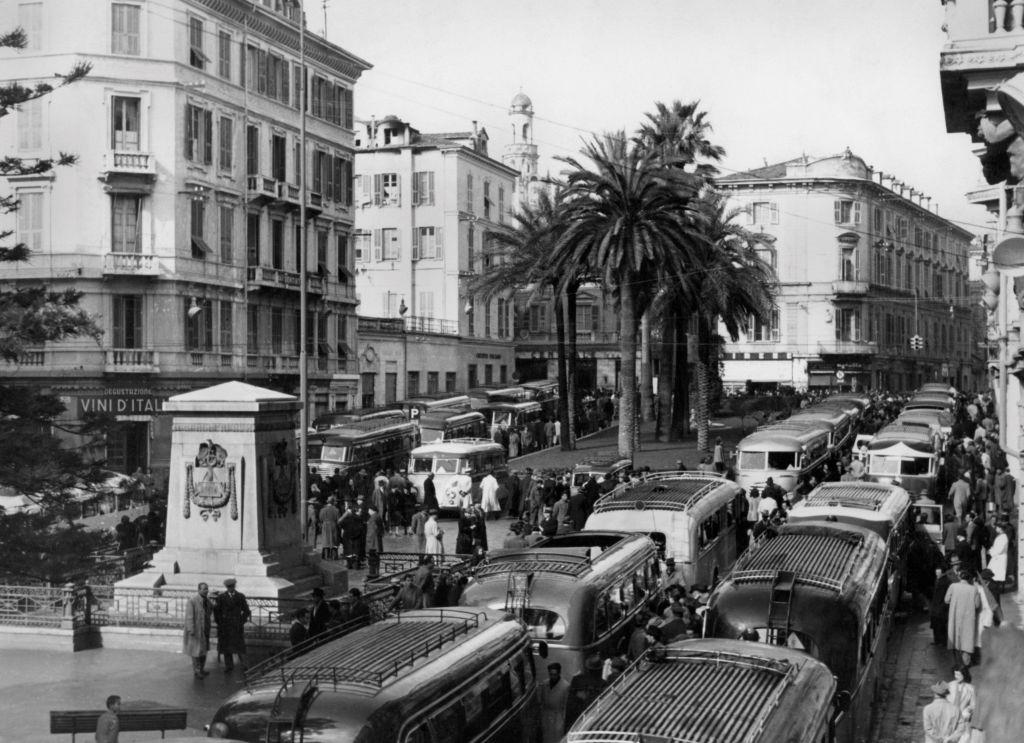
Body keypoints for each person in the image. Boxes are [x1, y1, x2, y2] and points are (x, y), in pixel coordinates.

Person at [945, 570, 981, 668]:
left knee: (955, 639)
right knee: (966, 641)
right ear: (969, 579)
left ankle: (957, 664)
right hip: (968, 619)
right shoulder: (974, 589)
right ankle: (966, 665)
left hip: (955, 618)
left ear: (960, 577)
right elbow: (977, 605)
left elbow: (946, 600)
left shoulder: (953, 586)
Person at [215, 578, 251, 672]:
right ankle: (229, 666)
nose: (230, 588)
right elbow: (217, 612)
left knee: (240, 646)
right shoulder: (221, 597)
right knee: (226, 647)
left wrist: (241, 621)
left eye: (232, 586)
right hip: (225, 626)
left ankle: (244, 665)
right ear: (226, 587)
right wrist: (220, 623)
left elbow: (247, 611)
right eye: (228, 587)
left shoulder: (240, 596)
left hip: (236, 626)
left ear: (234, 586)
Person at [564, 655, 607, 730]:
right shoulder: (603, 683)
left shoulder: (577, 679)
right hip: (593, 720)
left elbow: (570, 702)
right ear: (600, 669)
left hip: (576, 719)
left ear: (588, 668)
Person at [183, 582, 212, 678]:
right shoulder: (192, 601)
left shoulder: (208, 601)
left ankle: (202, 669)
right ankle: (197, 671)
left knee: (204, 651)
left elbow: (210, 612)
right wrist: (191, 629)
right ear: (199, 590)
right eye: (204, 589)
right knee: (196, 652)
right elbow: (189, 617)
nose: (206, 591)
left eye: (207, 588)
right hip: (196, 630)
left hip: (205, 629)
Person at [539, 662, 570, 743]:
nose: (552, 677)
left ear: (559, 673)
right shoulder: (545, 684)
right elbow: (542, 702)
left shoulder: (565, 686)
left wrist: (563, 722)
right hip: (546, 718)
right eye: (550, 674)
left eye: (554, 674)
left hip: (558, 719)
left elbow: (566, 705)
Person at [948, 665, 976, 740]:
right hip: (949, 717)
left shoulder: (970, 688)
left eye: (958, 675)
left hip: (962, 718)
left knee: (964, 738)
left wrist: (967, 711)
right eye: (955, 674)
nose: (956, 677)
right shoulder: (949, 685)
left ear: (964, 675)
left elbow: (973, 705)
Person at [987, 522, 1009, 605]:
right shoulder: (1000, 536)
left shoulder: (1003, 537)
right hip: (996, 558)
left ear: (1000, 528)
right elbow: (995, 547)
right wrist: (991, 550)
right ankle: (995, 589)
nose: (996, 529)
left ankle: (997, 590)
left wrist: (991, 552)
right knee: (994, 574)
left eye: (997, 527)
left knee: (997, 574)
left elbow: (999, 550)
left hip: (999, 558)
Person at [365, 504, 384, 577]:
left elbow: (371, 530)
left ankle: (373, 572)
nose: (368, 511)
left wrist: (368, 540)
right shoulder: (378, 516)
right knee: (377, 557)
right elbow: (381, 529)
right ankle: (377, 571)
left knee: (373, 557)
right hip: (377, 540)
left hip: (373, 541)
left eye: (368, 510)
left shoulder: (372, 518)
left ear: (371, 510)